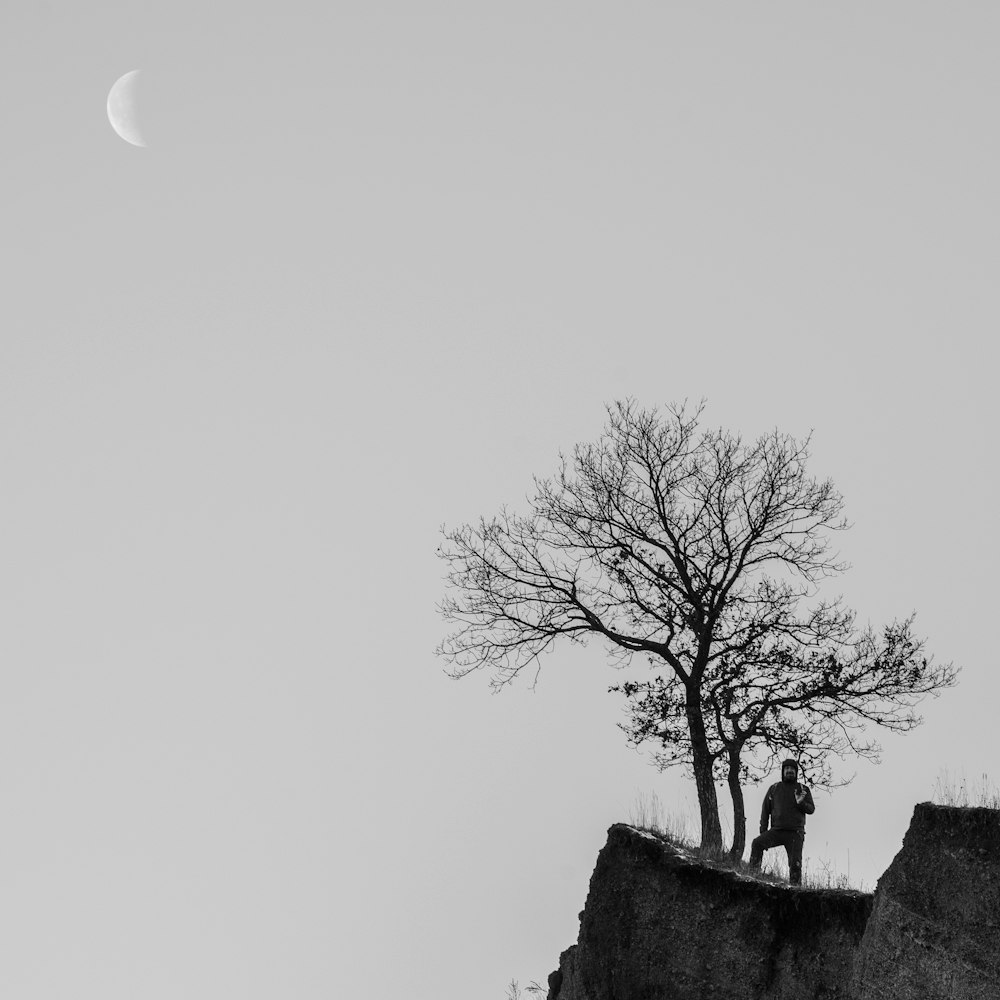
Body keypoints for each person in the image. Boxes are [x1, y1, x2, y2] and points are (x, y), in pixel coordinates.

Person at [748, 758, 815, 886]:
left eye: (792, 769)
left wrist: (801, 802)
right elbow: (765, 810)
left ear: (796, 772)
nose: (789, 771)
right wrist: (763, 830)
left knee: (795, 864)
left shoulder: (803, 789)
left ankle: (795, 891)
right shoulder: (774, 788)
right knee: (757, 843)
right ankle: (753, 878)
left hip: (795, 833)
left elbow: (811, 809)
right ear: (783, 771)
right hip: (777, 830)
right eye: (787, 769)